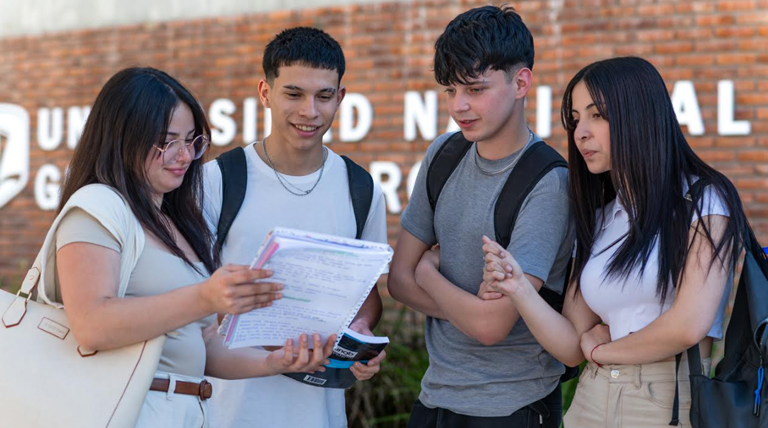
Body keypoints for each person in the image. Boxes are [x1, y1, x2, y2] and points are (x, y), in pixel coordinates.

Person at [53, 67, 334, 428]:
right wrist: (205, 297)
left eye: (192, 140)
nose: (185, 155)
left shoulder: (174, 220)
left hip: (184, 411)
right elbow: (92, 324)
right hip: (124, 410)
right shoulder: (98, 206)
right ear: (122, 138)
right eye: (167, 141)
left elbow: (201, 342)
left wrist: (276, 362)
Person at [482, 56, 746, 427]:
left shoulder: (703, 200)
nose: (580, 133)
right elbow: (573, 345)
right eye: (575, 119)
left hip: (664, 399)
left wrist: (604, 350)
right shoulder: (602, 216)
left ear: (639, 115)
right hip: (592, 397)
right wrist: (519, 287)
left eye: (598, 115)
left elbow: (688, 325)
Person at [387, 6, 574, 427]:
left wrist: (429, 271)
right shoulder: (444, 155)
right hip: (435, 396)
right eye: (450, 91)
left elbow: (492, 327)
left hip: (512, 407)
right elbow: (399, 280)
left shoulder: (547, 182)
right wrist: (471, 308)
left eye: (474, 89)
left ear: (521, 82)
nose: (459, 106)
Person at [203, 27, 388, 428]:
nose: (310, 111)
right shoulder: (216, 182)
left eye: (324, 96)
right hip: (225, 411)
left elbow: (367, 297)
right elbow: (188, 297)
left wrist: (359, 337)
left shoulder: (362, 189)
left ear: (340, 97)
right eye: (294, 94)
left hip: (319, 413)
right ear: (265, 93)